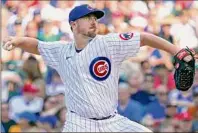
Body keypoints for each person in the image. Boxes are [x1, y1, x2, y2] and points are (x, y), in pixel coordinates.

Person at [2, 4, 198, 132]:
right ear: (73, 24)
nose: (94, 21)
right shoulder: (61, 50)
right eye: (88, 18)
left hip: (112, 121)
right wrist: (17, 40)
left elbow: (144, 37)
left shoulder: (108, 43)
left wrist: (177, 51)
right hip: (79, 123)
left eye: (95, 18)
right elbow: (36, 45)